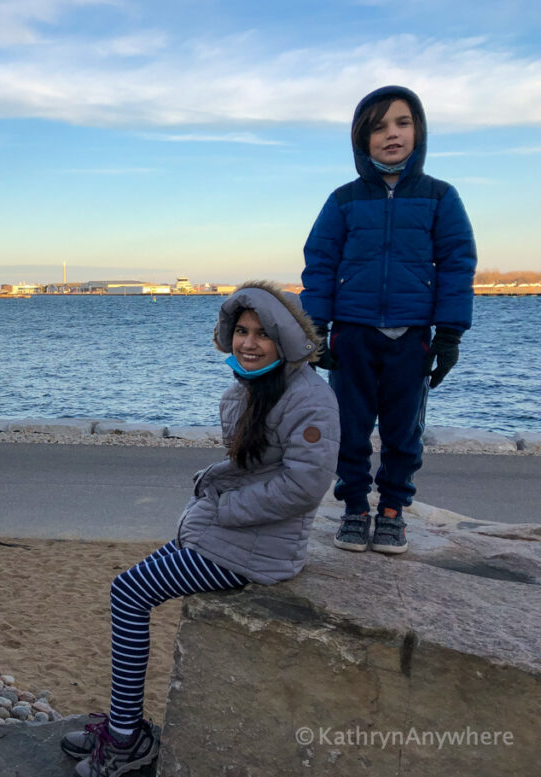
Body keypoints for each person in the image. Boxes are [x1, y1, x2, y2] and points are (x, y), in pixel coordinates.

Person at [61, 282, 340, 777]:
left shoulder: (310, 399)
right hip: (233, 534)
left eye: (262, 334)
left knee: (128, 593)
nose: (248, 343)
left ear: (286, 340)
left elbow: (304, 485)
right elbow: (259, 466)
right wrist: (216, 488)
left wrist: (226, 508)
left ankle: (125, 739)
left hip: (257, 547)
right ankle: (126, 727)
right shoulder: (247, 390)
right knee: (131, 589)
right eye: (241, 331)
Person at [301, 85, 477, 555]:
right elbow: (319, 262)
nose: (391, 135)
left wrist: (450, 334)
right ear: (362, 139)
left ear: (418, 130)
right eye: (378, 127)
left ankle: (394, 509)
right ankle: (355, 507)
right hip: (352, 335)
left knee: (404, 431)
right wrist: (316, 330)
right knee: (350, 427)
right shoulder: (344, 200)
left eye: (401, 123)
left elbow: (458, 263)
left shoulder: (440, 196)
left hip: (412, 336)